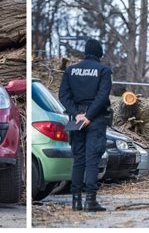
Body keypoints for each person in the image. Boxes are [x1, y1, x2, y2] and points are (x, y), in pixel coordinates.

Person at [59, 39, 112, 212]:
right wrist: (89, 116)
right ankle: (90, 200)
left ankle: (76, 201)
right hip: (95, 119)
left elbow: (63, 96)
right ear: (100, 54)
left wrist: (76, 114)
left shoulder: (70, 70)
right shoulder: (103, 71)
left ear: (85, 52)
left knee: (78, 160)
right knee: (92, 160)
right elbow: (103, 96)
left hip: (77, 119)